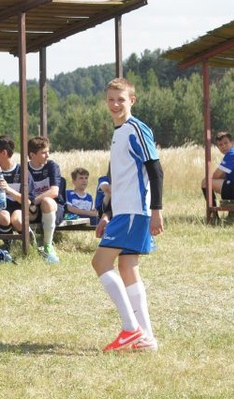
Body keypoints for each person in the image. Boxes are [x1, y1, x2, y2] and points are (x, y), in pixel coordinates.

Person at [92, 77, 164, 353]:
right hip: (124, 211)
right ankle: (146, 337)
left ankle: (130, 329)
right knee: (127, 267)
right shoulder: (119, 131)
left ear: (131, 100)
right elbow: (118, 178)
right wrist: (107, 213)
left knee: (100, 263)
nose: (114, 104)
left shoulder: (136, 128)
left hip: (136, 211)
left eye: (120, 99)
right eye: (110, 99)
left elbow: (156, 170)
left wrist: (157, 210)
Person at [27, 136, 65, 264]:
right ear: (32, 155)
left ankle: (48, 245)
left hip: (53, 208)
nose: (47, 155)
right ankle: (21, 246)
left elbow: (54, 192)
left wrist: (33, 202)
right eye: (43, 152)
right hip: (33, 208)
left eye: (48, 151)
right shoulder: (24, 169)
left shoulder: (52, 166)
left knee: (47, 201)